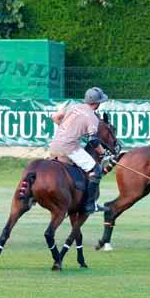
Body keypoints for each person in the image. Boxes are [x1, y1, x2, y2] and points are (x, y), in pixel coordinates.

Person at [49, 86, 108, 214]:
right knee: (95, 170)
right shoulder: (92, 117)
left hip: (54, 146)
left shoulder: (73, 106)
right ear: (97, 103)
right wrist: (103, 153)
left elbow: (55, 117)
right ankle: (89, 205)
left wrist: (67, 130)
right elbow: (93, 141)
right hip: (69, 148)